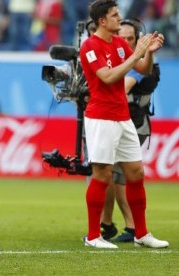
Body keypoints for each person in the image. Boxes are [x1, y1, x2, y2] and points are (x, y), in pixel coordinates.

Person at [79, 0, 168, 249]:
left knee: (136, 173)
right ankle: (93, 236)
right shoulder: (89, 46)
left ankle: (141, 233)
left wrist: (148, 53)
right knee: (102, 175)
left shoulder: (119, 43)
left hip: (122, 116)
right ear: (102, 21)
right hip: (101, 117)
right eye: (115, 15)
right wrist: (137, 54)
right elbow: (107, 78)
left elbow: (142, 68)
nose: (120, 17)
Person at [100, 19, 161, 243]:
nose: (125, 42)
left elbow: (121, 86)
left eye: (130, 39)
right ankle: (113, 225)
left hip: (134, 125)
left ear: (139, 40)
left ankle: (131, 227)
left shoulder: (139, 66)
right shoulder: (123, 60)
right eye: (121, 38)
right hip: (121, 122)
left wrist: (101, 81)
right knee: (113, 175)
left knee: (119, 175)